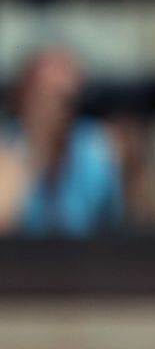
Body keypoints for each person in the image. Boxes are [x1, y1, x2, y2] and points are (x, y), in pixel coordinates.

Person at [0, 49, 124, 237]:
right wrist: (37, 152)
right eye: (45, 97)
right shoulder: (8, 145)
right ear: (24, 97)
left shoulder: (95, 148)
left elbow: (124, 226)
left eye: (68, 100)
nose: (58, 110)